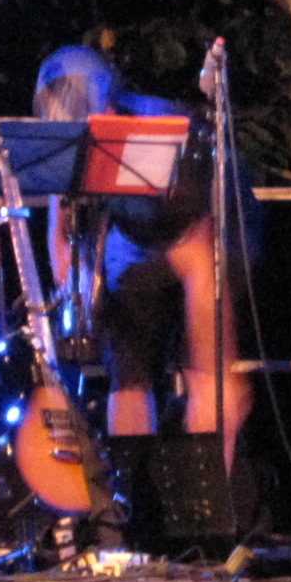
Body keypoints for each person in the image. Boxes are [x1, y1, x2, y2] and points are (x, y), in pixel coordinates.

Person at [31, 45, 243, 456]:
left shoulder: (160, 123)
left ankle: (212, 479)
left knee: (207, 371)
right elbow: (60, 232)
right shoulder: (71, 138)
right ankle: (132, 479)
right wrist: (78, 290)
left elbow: (197, 232)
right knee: (127, 371)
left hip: (204, 231)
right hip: (136, 242)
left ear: (105, 100)